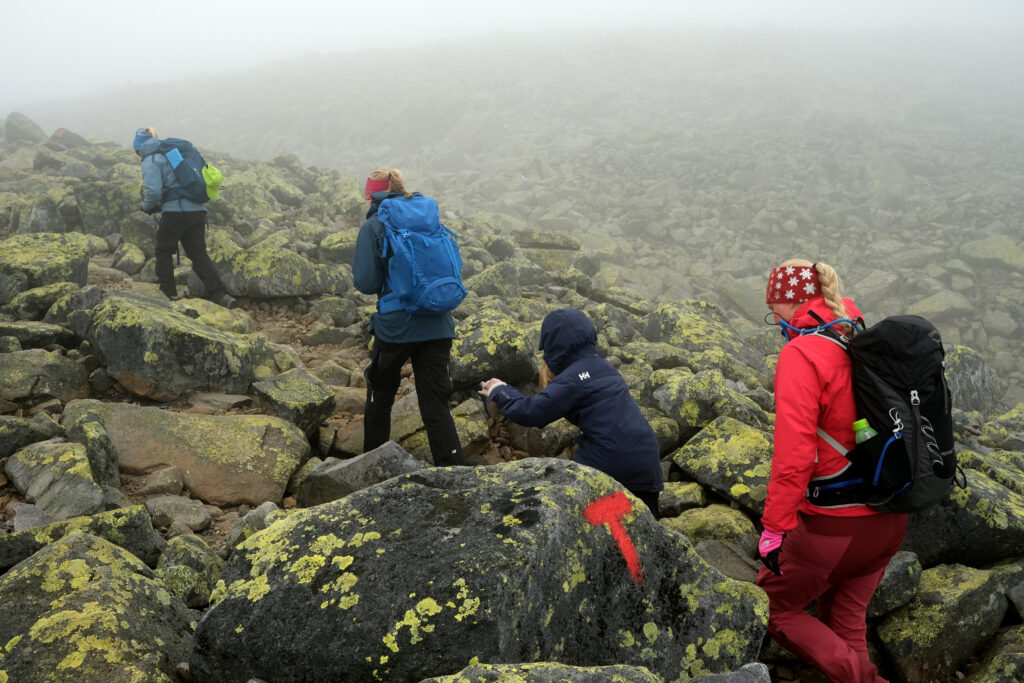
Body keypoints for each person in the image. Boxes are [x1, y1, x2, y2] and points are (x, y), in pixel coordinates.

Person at [757, 258, 907, 683]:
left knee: (773, 607)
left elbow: (794, 457)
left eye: (773, 311)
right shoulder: (859, 334)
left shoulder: (801, 353)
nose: (775, 321)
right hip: (890, 518)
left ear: (791, 303)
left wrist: (775, 528)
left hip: (837, 527)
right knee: (845, 620)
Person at [478, 307, 664, 516]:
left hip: (612, 462)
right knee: (644, 526)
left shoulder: (573, 378)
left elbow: (532, 412)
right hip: (648, 463)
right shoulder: (605, 368)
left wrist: (500, 391)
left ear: (553, 344)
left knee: (586, 521)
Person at [352, 168, 464, 466]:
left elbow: (366, 282)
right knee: (435, 401)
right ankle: (453, 469)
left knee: (381, 391)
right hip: (438, 321)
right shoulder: (426, 218)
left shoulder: (375, 225)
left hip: (396, 327)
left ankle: (373, 465)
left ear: (371, 195)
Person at [133, 127, 235, 309]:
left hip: (176, 212)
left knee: (164, 251)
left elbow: (154, 191)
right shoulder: (174, 152)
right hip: (198, 210)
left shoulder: (151, 159)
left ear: (139, 148)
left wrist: (146, 207)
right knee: (198, 253)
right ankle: (220, 295)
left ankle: (168, 294)